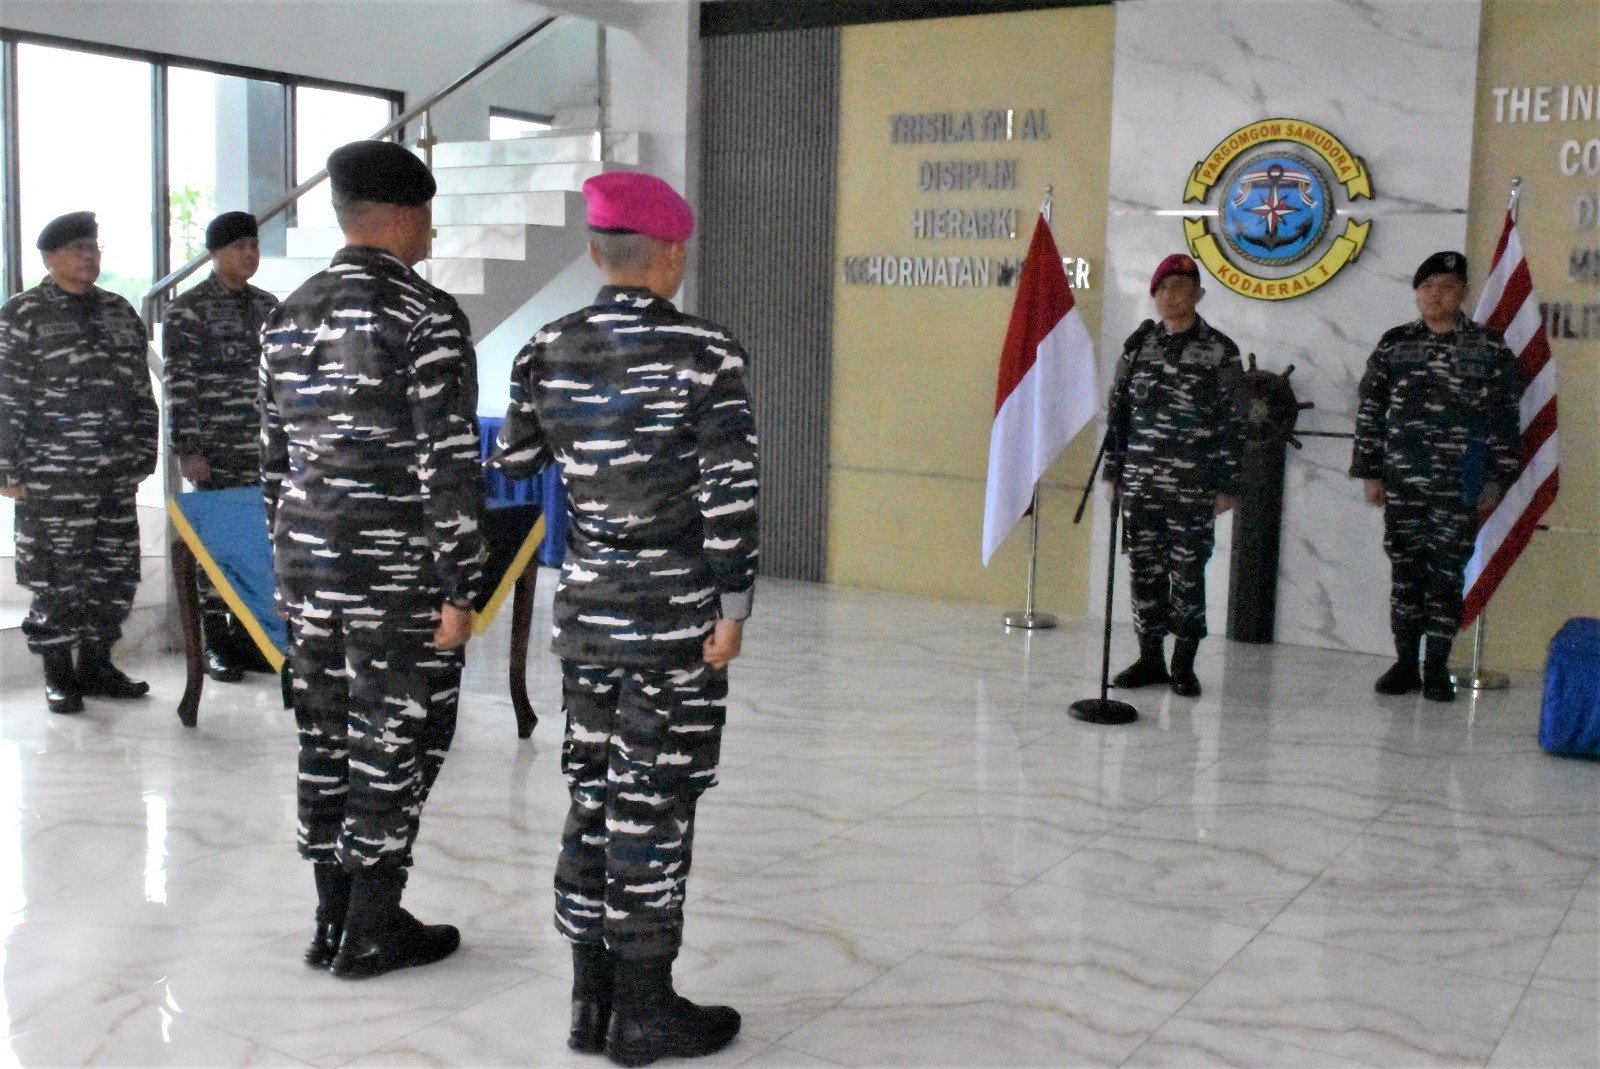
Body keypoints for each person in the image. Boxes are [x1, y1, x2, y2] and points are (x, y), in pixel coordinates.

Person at [493, 170, 758, 1067]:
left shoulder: (544, 346)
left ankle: (590, 999)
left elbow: (516, 460)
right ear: (671, 254)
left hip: (587, 612)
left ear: (595, 253)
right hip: (675, 619)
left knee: (594, 789)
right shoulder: (707, 353)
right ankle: (644, 1010)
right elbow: (730, 492)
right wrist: (734, 604)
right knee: (655, 798)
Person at [259, 141, 485, 978]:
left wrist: (286, 565)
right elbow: (447, 463)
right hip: (398, 576)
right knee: (399, 737)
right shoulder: (425, 315)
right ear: (402, 216)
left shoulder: (287, 313)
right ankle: (371, 924)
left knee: (324, 736)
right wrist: (461, 585)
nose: (431, 230)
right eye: (427, 214)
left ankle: (331, 917)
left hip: (308, 567)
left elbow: (273, 461)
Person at [0, 211, 157, 714]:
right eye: (77, 249)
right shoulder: (23, 314)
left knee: (114, 573)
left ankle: (97, 665)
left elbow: (140, 389)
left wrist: (144, 451)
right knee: (57, 576)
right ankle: (58, 674)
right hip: (52, 474)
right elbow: (6, 395)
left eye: (93, 247)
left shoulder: (118, 310)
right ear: (50, 258)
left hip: (114, 470)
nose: (89, 256)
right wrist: (6, 466)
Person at [1351, 251, 1521, 702]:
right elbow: (1370, 410)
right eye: (1426, 287)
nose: (1435, 295)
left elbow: (1505, 416)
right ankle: (1406, 663)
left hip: (1459, 483)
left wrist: (1497, 478)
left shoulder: (1488, 347)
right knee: (1406, 571)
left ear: (1462, 292)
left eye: (1446, 287)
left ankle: (1436, 667)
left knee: (1446, 575)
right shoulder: (1395, 343)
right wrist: (1370, 472)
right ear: (1417, 294)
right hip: (1404, 480)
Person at [1102, 253, 1245, 698]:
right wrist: (1113, 473)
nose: (1169, 296)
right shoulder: (1139, 346)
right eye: (1162, 288)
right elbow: (1118, 415)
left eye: (1179, 288)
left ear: (1198, 295)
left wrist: (1227, 484)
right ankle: (1150, 659)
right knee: (1144, 572)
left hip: (1193, 487)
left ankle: (1184, 665)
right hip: (1141, 484)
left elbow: (1235, 421)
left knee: (1187, 574)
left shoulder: (1220, 350)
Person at [162, 210, 280, 681]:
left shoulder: (269, 306)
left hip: (265, 451)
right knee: (216, 546)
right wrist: (188, 448)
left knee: (261, 545)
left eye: (253, 245)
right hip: (216, 451)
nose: (249, 254)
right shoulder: (188, 310)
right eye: (238, 247)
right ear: (214, 254)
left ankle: (252, 638)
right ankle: (217, 643)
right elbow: (179, 383)